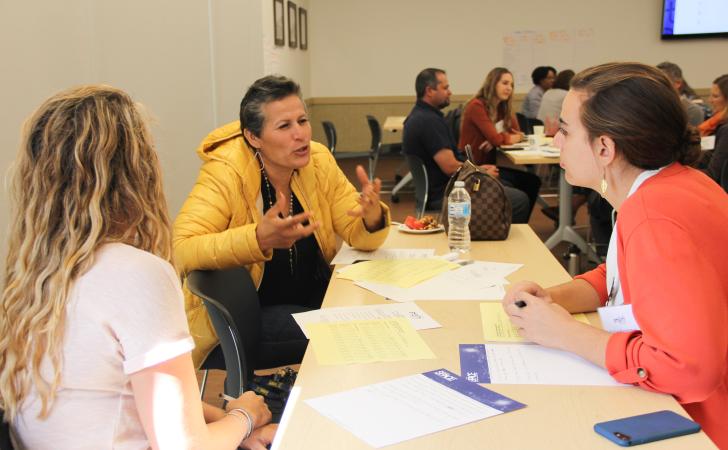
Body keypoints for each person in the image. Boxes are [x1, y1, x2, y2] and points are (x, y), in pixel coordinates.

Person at [0, 85, 274, 449]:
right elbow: (184, 446)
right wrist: (245, 416)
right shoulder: (137, 275)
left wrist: (229, 421)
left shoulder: (30, 278)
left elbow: (118, 396)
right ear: (136, 171)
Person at [502, 63, 728, 448]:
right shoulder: (678, 185)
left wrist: (565, 334)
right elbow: (628, 274)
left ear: (605, 148)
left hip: (699, 425)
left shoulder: (653, 215)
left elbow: (687, 369)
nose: (556, 141)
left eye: (566, 131)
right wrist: (553, 299)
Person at [174, 75, 390, 368]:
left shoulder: (318, 159)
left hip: (311, 295)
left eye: (302, 121)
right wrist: (257, 239)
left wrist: (372, 216)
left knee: (387, 313)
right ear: (254, 137)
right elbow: (182, 248)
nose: (300, 134)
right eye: (284, 126)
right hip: (248, 316)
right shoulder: (226, 171)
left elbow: (358, 235)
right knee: (362, 334)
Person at [402, 67, 533, 223]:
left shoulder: (422, 116)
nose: (450, 92)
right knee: (519, 200)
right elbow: (450, 167)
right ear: (429, 91)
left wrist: (480, 171)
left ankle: (493, 232)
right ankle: (495, 238)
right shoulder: (428, 122)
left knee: (515, 184)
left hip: (446, 186)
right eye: (445, 88)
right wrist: (481, 171)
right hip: (446, 194)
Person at [458, 67, 543, 221]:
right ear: (493, 83)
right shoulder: (477, 105)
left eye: (511, 85)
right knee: (526, 184)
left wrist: (497, 138)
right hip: (475, 168)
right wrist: (497, 138)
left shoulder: (503, 107)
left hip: (491, 165)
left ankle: (519, 225)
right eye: (504, 83)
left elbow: (518, 135)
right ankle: (512, 224)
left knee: (532, 181)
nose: (509, 88)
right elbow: (499, 140)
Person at [656, 62, 705, 126]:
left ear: (677, 83)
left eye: (662, 81)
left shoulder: (692, 111)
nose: (656, 84)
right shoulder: (651, 105)